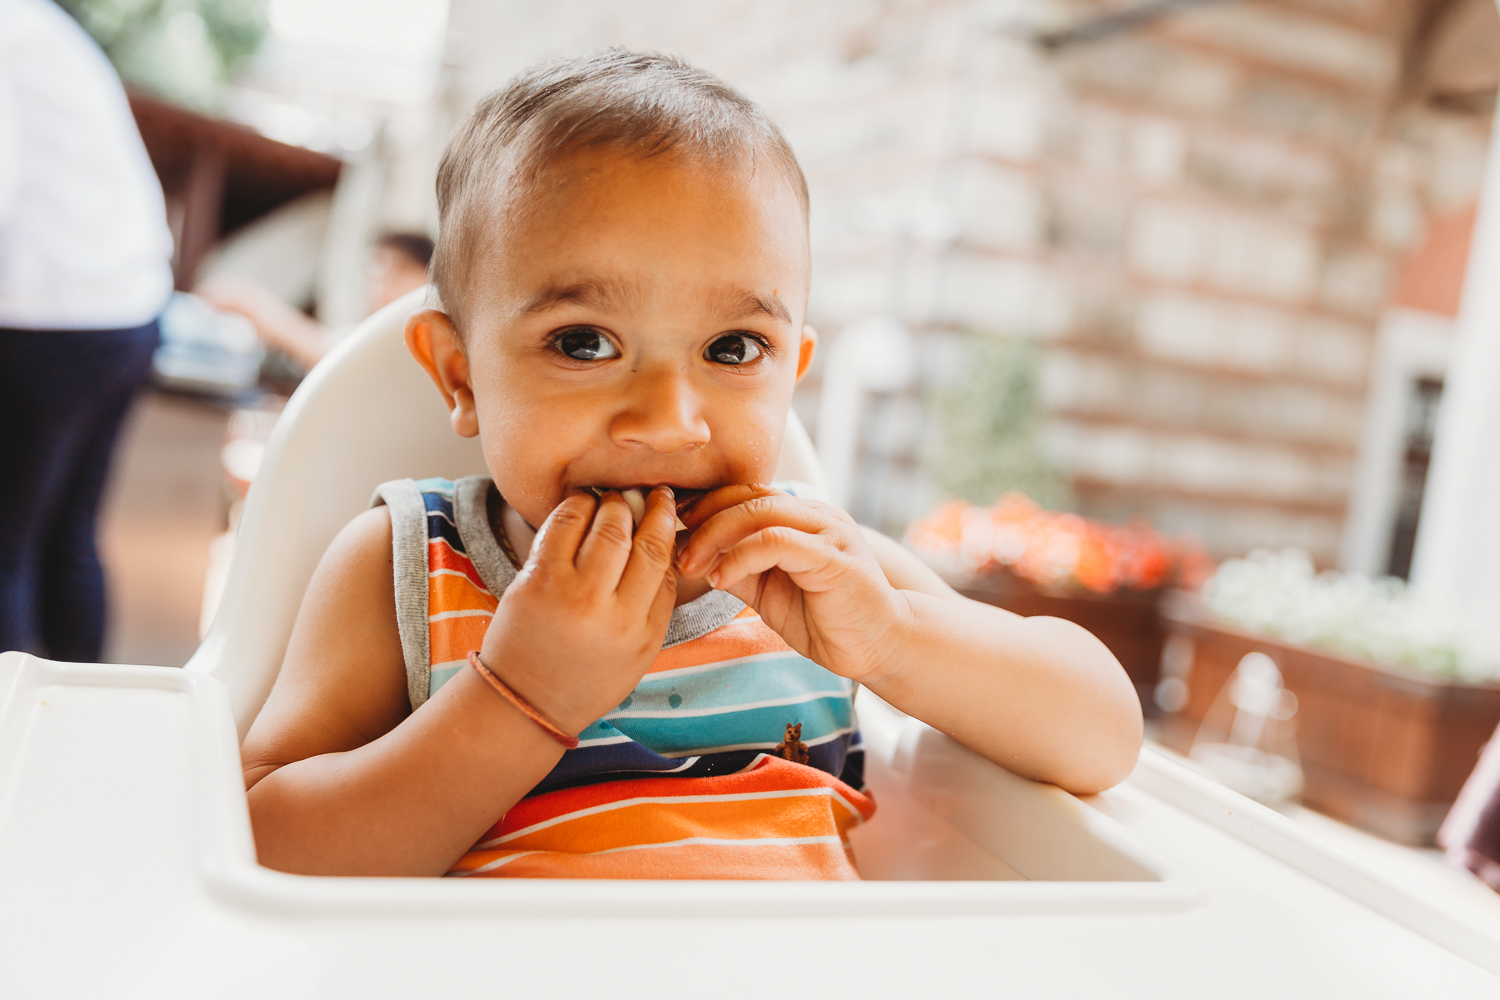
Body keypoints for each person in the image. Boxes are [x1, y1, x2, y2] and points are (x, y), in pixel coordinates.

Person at [239, 50, 1143, 879]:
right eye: (585, 342)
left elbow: (1102, 736)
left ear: (791, 374)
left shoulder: (820, 575)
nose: (668, 423)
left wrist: (894, 639)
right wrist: (519, 699)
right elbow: (267, 844)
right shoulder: (412, 563)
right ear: (461, 374)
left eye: (733, 348)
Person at [0, 0, 175, 662]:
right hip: (125, 312)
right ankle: (81, 723)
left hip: (47, 316)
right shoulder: (42, 27)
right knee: (68, 537)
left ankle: (8, 753)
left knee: (7, 546)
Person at [195, 231, 434, 371]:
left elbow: (322, 350)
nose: (378, 284)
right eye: (374, 272)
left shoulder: (426, 345)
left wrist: (245, 300)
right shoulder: (369, 336)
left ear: (429, 278)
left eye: (397, 271)